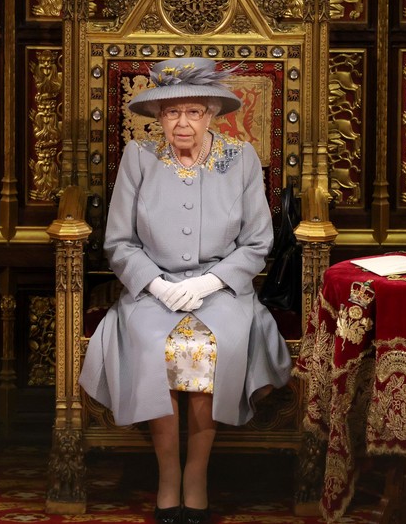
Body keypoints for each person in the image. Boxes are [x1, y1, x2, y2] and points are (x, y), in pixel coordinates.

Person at [79, 57, 292, 524]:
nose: (182, 122)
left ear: (211, 114)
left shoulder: (241, 160)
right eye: (172, 112)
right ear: (158, 117)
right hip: (151, 289)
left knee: (211, 347)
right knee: (156, 345)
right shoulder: (139, 159)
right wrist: (153, 282)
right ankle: (167, 477)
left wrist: (210, 281)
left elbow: (258, 242)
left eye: (193, 112)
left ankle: (196, 476)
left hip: (223, 290)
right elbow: (118, 241)